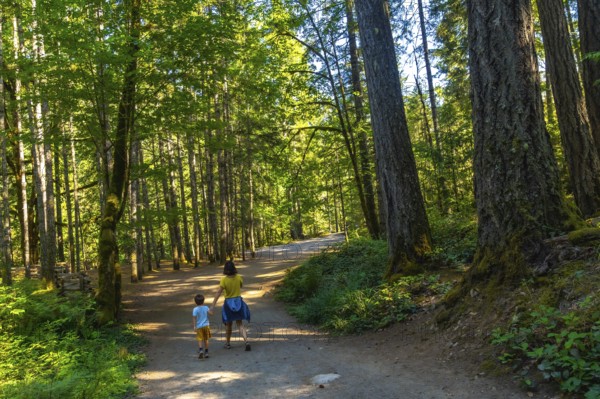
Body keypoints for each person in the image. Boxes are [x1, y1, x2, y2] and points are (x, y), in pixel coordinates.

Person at [211, 260, 251, 351]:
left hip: (228, 303)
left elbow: (218, 292)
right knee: (240, 324)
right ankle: (246, 341)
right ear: (234, 268)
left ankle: (228, 343)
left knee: (228, 325)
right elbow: (240, 286)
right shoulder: (239, 277)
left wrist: (212, 305)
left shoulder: (224, 280)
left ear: (225, 269)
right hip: (238, 302)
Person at [192, 294, 213, 359]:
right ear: (203, 301)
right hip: (206, 326)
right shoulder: (206, 307)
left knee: (200, 339)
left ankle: (201, 350)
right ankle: (206, 352)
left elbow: (194, 318)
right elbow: (211, 314)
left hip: (199, 326)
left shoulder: (195, 309)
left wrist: (194, 326)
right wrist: (211, 310)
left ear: (195, 302)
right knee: (206, 339)